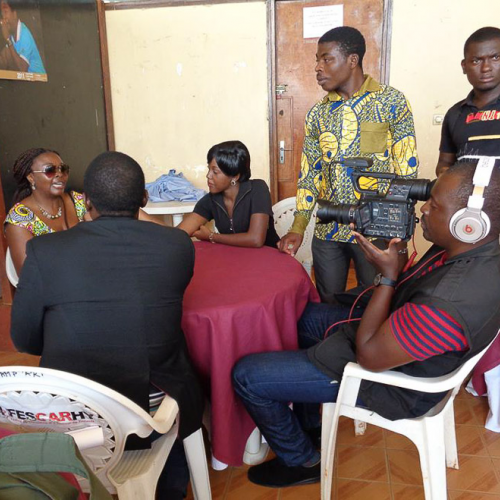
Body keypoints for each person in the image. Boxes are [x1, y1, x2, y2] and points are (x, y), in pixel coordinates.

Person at [233, 159, 500, 488]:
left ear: (469, 223)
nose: (423, 210)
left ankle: (301, 460)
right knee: (299, 318)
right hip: (395, 336)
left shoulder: (448, 304)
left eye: (434, 205)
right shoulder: (471, 252)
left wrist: (388, 278)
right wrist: (396, 266)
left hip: (392, 380)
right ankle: (311, 424)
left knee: (246, 376)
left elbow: (370, 357)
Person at [10, 151, 204, 499]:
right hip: (146, 409)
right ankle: (169, 486)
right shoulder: (177, 246)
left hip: (72, 407)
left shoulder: (43, 251)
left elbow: (24, 340)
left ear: (87, 202)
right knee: (185, 373)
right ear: (143, 199)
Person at [277, 26, 419, 303]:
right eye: (317, 60)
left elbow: (407, 169)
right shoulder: (318, 114)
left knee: (373, 299)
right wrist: (298, 226)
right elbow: (310, 173)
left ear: (352, 60)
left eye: (326, 59)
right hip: (328, 228)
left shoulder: (391, 102)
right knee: (329, 300)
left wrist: (398, 228)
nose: (318, 67)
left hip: (375, 228)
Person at [178, 140, 279, 248]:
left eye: (215, 172)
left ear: (235, 176)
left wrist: (212, 236)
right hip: (234, 256)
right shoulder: (210, 200)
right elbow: (180, 233)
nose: (208, 175)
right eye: (209, 169)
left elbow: (256, 239)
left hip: (267, 255)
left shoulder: (257, 189)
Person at [4, 148, 89, 274]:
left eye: (63, 169)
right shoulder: (19, 219)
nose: (59, 174)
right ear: (31, 177)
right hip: (54, 283)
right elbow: (29, 275)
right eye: (50, 170)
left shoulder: (79, 201)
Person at [436, 27, 500, 176]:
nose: (486, 68)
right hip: (466, 191)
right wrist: (452, 178)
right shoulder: (455, 114)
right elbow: (444, 164)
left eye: (495, 58)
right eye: (476, 61)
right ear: (464, 66)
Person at [0, 0, 46, 74]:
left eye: (5, 12)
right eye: (2, 15)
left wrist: (8, 39)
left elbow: (22, 69)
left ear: (14, 13)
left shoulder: (24, 33)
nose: (3, 19)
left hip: (38, 79)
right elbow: (4, 57)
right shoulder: (12, 35)